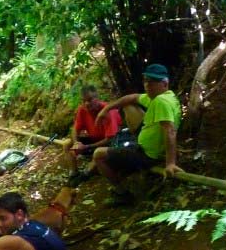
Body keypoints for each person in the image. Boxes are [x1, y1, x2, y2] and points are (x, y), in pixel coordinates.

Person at [71, 64, 183, 202]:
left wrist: (170, 163)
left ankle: (121, 193)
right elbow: (131, 98)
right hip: (145, 143)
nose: (147, 85)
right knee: (128, 104)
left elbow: (170, 131)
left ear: (164, 83)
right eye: (146, 81)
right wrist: (105, 110)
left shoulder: (161, 101)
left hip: (147, 154)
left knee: (98, 155)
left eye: (153, 82)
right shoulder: (163, 97)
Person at [65, 85, 122, 180]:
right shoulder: (82, 109)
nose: (87, 103)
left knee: (97, 154)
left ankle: (85, 174)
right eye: (84, 101)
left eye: (90, 99)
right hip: (94, 140)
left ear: (97, 98)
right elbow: (75, 128)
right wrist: (76, 143)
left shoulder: (108, 111)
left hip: (110, 143)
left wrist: (87, 147)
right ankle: (73, 173)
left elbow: (110, 139)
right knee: (67, 144)